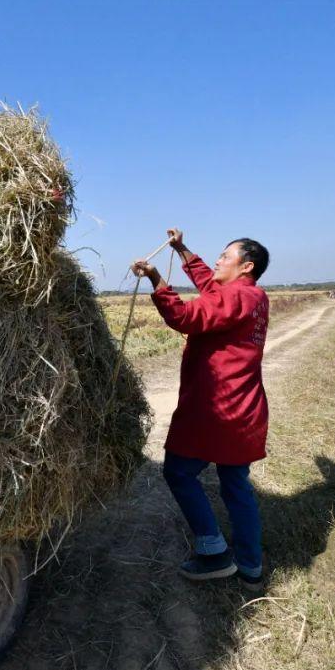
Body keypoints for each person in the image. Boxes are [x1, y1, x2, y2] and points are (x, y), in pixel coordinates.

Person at [131, 230, 270, 591]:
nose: (218, 260)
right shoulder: (250, 295)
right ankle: (251, 567)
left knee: (178, 471)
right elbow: (210, 285)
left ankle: (214, 553)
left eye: (226, 256)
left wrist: (157, 280)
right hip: (244, 409)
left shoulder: (238, 295)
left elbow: (186, 317)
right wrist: (180, 249)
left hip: (219, 409)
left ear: (247, 266)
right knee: (236, 484)